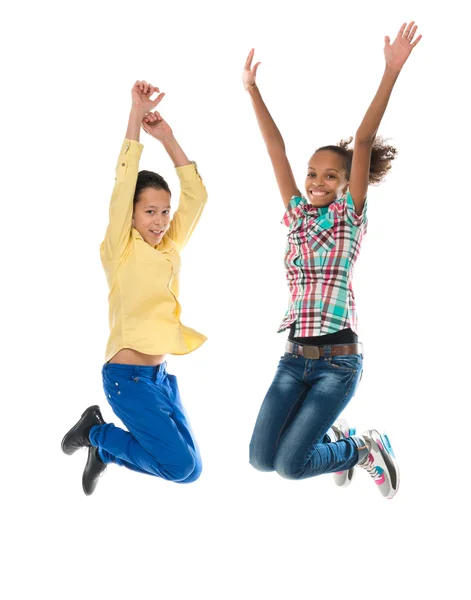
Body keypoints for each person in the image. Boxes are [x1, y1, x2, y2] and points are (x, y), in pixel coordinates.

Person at [245, 22, 422, 499]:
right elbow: (275, 149)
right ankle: (339, 438)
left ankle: (363, 448)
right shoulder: (298, 215)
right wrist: (252, 90)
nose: (316, 181)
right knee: (262, 459)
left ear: (346, 185)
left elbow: (362, 142)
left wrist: (391, 72)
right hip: (292, 359)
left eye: (329, 175)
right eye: (311, 173)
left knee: (290, 466)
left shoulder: (349, 217)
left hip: (337, 363)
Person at [61, 80, 208, 495]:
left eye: (163, 211)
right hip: (126, 377)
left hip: (159, 377)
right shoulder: (119, 247)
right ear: (130, 214)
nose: (160, 220)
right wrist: (136, 116)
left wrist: (166, 136)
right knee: (178, 467)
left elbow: (196, 196)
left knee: (191, 470)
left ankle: (104, 450)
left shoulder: (170, 244)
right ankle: (98, 436)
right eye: (149, 211)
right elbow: (124, 180)